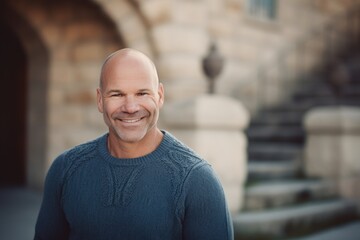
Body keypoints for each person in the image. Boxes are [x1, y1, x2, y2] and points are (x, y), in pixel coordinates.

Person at [34, 48, 234, 240]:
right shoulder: (65, 169)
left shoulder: (198, 180)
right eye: (117, 94)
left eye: (142, 93)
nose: (130, 107)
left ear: (160, 95)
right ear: (100, 100)